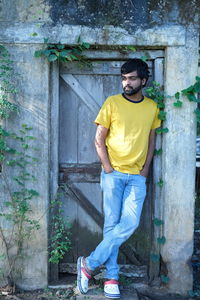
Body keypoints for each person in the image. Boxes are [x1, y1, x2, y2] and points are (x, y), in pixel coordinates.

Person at [77, 58, 161, 299]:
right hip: (113, 174)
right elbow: (99, 138)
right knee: (112, 225)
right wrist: (108, 168)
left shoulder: (152, 107)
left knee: (130, 223)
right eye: (124, 78)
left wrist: (144, 170)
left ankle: (89, 264)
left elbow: (151, 140)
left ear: (143, 80)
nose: (127, 82)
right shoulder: (112, 103)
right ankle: (111, 277)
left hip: (136, 176)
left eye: (132, 78)